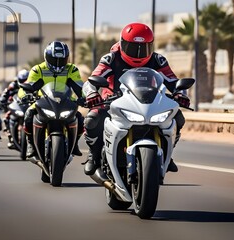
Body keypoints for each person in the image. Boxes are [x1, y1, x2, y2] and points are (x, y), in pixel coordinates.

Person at [82, 22, 191, 176]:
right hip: (114, 100)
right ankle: (93, 156)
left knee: (178, 118)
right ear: (122, 43)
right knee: (92, 119)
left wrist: (181, 94)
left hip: (149, 101)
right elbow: (91, 81)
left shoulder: (158, 60)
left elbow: (173, 81)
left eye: (143, 48)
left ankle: (168, 152)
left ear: (151, 46)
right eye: (133, 48)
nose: (138, 53)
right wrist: (92, 93)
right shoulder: (111, 58)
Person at [19, 41, 85, 158]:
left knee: (80, 119)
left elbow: (80, 87)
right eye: (54, 59)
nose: (58, 63)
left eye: (62, 59)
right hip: (42, 102)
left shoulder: (72, 70)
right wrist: (24, 95)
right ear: (46, 57)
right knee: (28, 115)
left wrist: (85, 97)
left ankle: (74, 145)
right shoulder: (38, 70)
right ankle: (31, 144)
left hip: (65, 103)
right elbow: (27, 86)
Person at [0, 69, 29, 148]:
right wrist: (3, 100)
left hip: (28, 105)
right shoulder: (13, 85)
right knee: (7, 117)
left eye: (26, 80)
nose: (24, 82)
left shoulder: (32, 84)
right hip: (16, 105)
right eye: (22, 80)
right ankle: (9, 134)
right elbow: (6, 93)